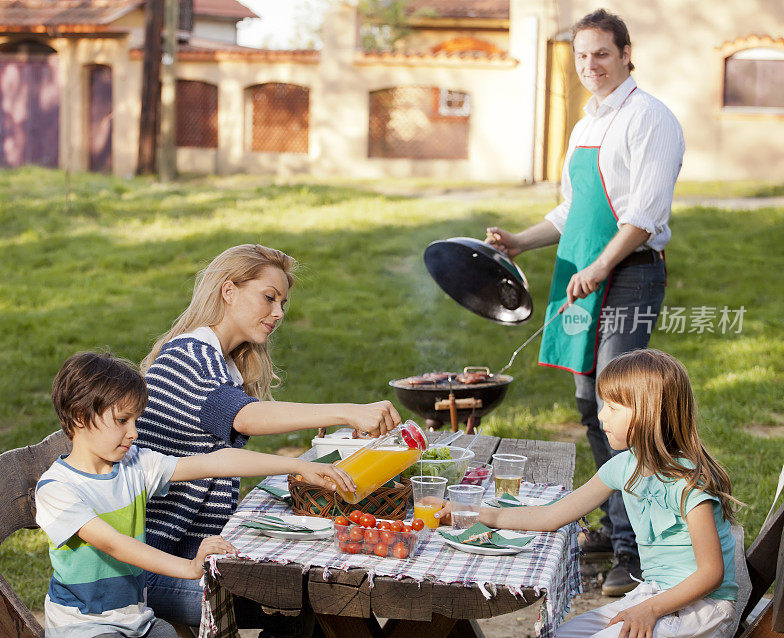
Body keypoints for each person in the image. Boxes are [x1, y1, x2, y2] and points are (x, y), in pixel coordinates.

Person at [486, 8, 685, 595]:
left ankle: (641, 550)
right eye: (581, 56)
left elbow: (643, 217)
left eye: (602, 53)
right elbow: (572, 210)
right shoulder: (584, 124)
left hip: (628, 276)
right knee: (588, 404)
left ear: (627, 54)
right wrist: (520, 242)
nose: (590, 65)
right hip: (582, 275)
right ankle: (614, 526)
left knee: (623, 409)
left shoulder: (651, 118)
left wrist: (601, 267)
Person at [134, 243, 401, 630]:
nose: (277, 313)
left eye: (282, 304)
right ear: (229, 291)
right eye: (268, 298)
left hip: (196, 553)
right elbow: (243, 416)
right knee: (303, 597)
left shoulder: (223, 364)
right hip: (156, 566)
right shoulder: (187, 356)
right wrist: (345, 410)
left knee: (312, 585)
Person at [35, 351, 354, 638]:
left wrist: (297, 465)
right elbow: (116, 545)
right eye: (122, 420)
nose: (134, 432)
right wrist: (188, 568)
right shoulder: (58, 489)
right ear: (79, 416)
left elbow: (218, 461)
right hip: (84, 628)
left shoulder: (136, 465)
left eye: (135, 420)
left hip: (136, 621)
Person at [436, 349, 739, 637]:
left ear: (648, 414)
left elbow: (711, 573)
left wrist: (650, 609)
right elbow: (552, 515)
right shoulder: (623, 467)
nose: (602, 416)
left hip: (702, 610)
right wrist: (472, 513)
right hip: (658, 597)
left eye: (612, 407)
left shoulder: (687, 482)